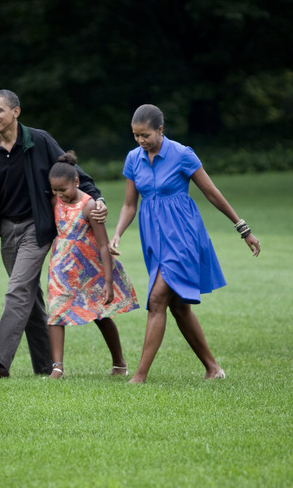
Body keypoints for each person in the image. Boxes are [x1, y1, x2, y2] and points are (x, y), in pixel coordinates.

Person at [109, 104, 261, 383]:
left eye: (145, 135)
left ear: (160, 130)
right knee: (178, 306)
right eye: (135, 136)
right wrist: (117, 233)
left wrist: (243, 228)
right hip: (154, 240)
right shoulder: (133, 158)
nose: (141, 142)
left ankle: (139, 376)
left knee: (156, 299)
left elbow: (212, 193)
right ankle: (213, 369)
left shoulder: (182, 154)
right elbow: (130, 205)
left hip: (183, 236)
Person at [0, 89, 108, 378]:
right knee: (29, 297)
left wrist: (97, 198)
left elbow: (72, 170)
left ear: (15, 112)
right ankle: (46, 367)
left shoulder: (39, 141)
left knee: (17, 290)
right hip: (7, 229)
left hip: (35, 227)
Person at [45, 151, 139, 379]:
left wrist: (108, 282)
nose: (60, 195)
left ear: (76, 182)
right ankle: (57, 367)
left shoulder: (90, 207)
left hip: (90, 269)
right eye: (55, 190)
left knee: (101, 315)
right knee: (55, 313)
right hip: (62, 268)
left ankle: (119, 362)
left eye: (63, 190)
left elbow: (104, 245)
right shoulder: (54, 201)